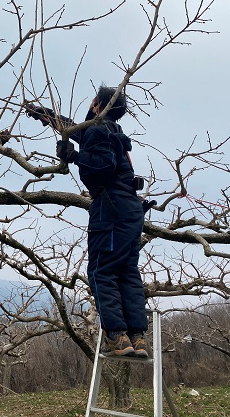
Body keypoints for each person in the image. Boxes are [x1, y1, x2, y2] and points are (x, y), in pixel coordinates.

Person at [26, 85, 155, 357]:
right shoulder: (112, 132)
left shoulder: (98, 132)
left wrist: (72, 156)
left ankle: (117, 337)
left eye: (94, 100)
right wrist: (41, 113)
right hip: (131, 211)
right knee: (127, 271)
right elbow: (72, 126)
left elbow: (103, 166)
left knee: (102, 271)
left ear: (99, 105)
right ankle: (137, 337)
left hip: (111, 211)